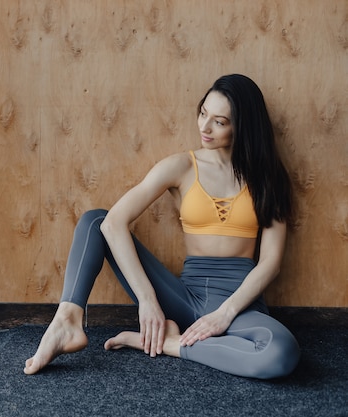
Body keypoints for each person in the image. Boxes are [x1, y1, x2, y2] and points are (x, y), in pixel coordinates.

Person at [23, 74, 300, 379]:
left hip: (240, 307)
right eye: (203, 113)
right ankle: (67, 322)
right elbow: (114, 223)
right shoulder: (181, 166)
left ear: (242, 126)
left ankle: (171, 343)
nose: (204, 127)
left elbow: (271, 263)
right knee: (96, 221)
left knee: (280, 352)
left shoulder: (268, 178)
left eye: (219, 122)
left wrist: (224, 314)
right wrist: (148, 301)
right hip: (183, 298)